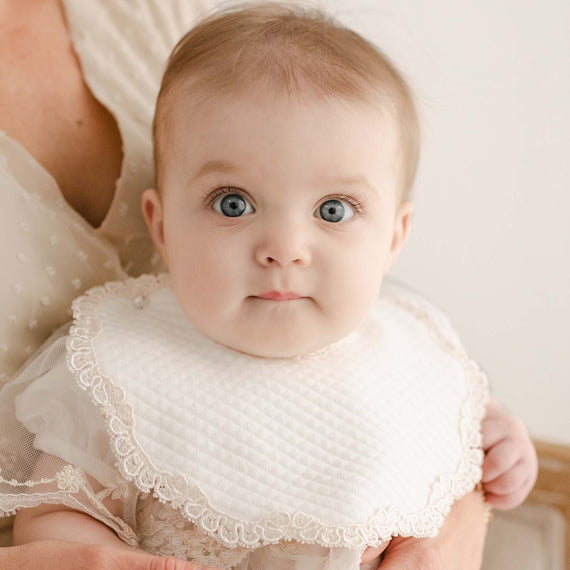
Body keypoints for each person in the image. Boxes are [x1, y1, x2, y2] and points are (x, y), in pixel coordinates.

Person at [0, 1, 537, 568]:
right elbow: (57, 511)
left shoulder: (410, 349)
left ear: (394, 237)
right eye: (234, 203)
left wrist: (499, 444)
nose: (285, 246)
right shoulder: (116, 367)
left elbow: (459, 427)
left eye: (333, 209)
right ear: (161, 226)